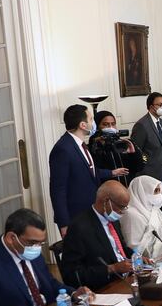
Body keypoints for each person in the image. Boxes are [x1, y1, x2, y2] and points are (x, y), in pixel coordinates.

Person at [0, 209, 92, 306]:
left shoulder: (30, 253)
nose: (36, 248)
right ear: (11, 238)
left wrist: (74, 293)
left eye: (40, 243)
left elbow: (50, 284)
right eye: (32, 243)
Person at [49, 105, 129, 237]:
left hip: (91, 211)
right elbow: (58, 190)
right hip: (76, 216)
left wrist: (111, 173)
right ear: (83, 125)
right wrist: (64, 224)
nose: (94, 123)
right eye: (91, 119)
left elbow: (87, 172)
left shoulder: (80, 144)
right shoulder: (63, 149)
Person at [60, 181, 134, 290]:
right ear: (106, 201)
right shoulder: (79, 228)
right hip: (104, 287)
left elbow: (121, 249)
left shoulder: (112, 219)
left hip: (127, 279)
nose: (122, 212)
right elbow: (72, 275)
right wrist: (112, 268)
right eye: (121, 207)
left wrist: (136, 257)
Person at [131, 92, 162, 182]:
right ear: (151, 107)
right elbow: (136, 152)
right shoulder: (141, 125)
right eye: (160, 105)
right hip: (150, 175)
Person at [88, 110, 141, 181]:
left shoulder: (124, 143)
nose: (110, 127)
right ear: (97, 127)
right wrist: (101, 146)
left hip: (128, 187)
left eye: (113, 124)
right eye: (105, 124)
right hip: (109, 188)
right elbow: (94, 172)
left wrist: (133, 154)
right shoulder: (92, 147)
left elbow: (139, 167)